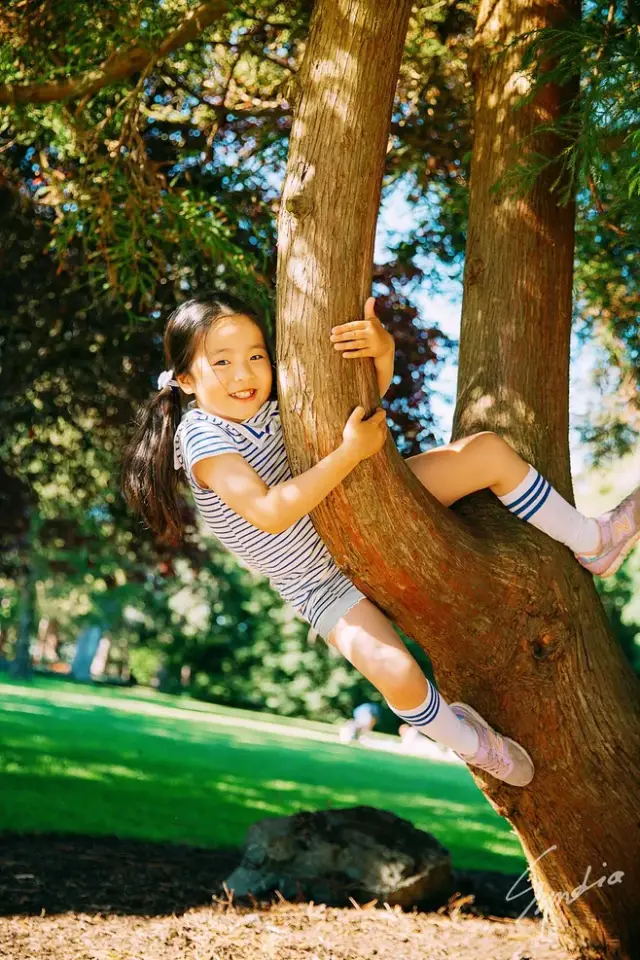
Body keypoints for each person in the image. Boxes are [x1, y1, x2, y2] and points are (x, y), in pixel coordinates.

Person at [121, 293, 640, 788]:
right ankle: (469, 741)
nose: (245, 373)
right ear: (187, 379)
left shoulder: (275, 405)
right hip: (317, 579)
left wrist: (382, 351)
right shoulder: (202, 436)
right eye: (223, 362)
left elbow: (359, 412)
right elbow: (268, 512)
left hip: (364, 508)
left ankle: (591, 540)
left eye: (256, 356)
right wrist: (349, 454)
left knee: (485, 453)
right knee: (397, 672)